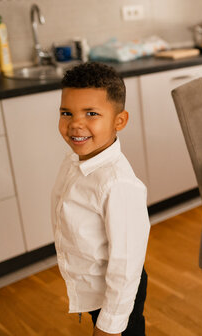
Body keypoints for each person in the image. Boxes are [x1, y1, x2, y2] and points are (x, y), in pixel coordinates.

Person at [51, 62, 150, 336]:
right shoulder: (74, 160)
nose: (75, 124)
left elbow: (126, 266)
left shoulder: (119, 185)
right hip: (94, 285)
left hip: (116, 288)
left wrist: (109, 327)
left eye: (91, 113)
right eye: (66, 113)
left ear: (119, 121)